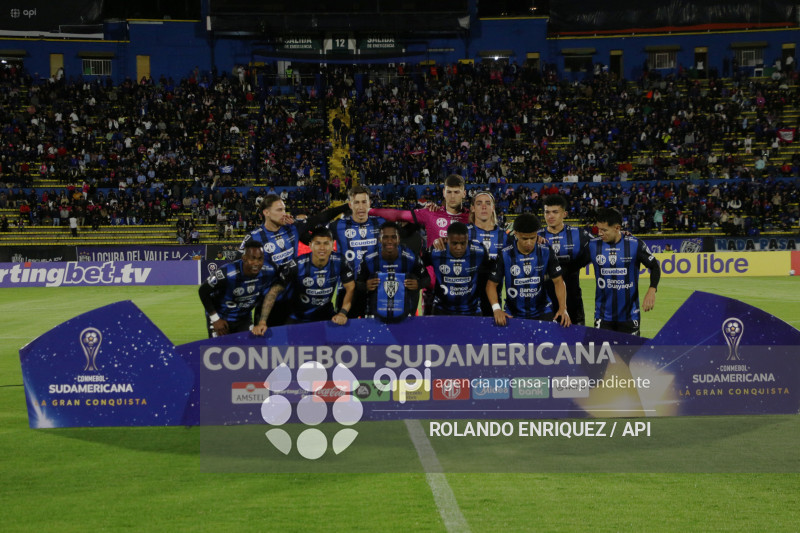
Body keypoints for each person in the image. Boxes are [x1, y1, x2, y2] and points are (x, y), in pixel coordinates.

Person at [241, 194, 348, 327]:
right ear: (266, 212)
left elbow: (320, 218)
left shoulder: (292, 228)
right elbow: (239, 266)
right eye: (279, 210)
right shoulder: (253, 238)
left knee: (294, 345)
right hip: (268, 302)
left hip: (293, 303)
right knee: (269, 345)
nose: (284, 213)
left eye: (284, 209)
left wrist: (346, 206)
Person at [253, 227, 354, 333]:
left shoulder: (340, 261)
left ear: (332, 244)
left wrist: (342, 312)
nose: (322, 248)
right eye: (318, 243)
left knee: (329, 347)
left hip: (326, 316)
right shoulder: (296, 265)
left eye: (326, 243)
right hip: (297, 318)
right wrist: (262, 322)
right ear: (310, 245)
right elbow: (274, 291)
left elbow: (350, 287)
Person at [579, 207, 661, 336]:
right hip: (602, 316)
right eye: (598, 229)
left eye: (604, 230)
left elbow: (655, 266)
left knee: (629, 356)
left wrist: (652, 289)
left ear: (617, 228)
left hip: (630, 316)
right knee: (603, 355)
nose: (600, 233)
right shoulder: (593, 246)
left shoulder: (635, 245)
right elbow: (573, 266)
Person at [487, 214, 570, 327]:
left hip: (543, 311)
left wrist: (563, 308)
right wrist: (496, 309)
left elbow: (559, 281)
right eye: (525, 239)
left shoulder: (546, 251)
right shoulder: (505, 254)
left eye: (533, 238)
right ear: (515, 233)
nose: (529, 243)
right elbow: (491, 285)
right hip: (513, 313)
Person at [198, 240, 278, 338]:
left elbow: (271, 294)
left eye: (260, 259)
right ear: (244, 258)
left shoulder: (270, 271)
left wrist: (261, 321)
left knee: (245, 350)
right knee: (217, 350)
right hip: (221, 317)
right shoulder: (226, 273)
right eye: (252, 259)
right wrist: (215, 319)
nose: (256, 263)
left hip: (243, 318)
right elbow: (203, 291)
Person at [357, 221, 431, 322]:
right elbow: (357, 283)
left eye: (393, 237)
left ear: (399, 239)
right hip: (376, 315)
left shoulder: (410, 257)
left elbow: (427, 279)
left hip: (405, 314)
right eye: (385, 237)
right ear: (379, 239)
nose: (389, 241)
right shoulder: (369, 258)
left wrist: (418, 284)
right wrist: (365, 285)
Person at [537, 194, 592, 326]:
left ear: (564, 214)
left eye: (555, 212)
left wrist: (622, 235)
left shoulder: (579, 234)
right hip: (544, 301)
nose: (550, 216)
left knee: (576, 343)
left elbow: (601, 244)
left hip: (573, 300)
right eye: (547, 212)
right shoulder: (535, 237)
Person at [331, 185, 385, 318]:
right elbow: (313, 234)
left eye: (364, 202)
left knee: (378, 333)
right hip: (348, 289)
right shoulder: (338, 225)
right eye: (356, 202)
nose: (361, 207)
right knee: (346, 333)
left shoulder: (381, 223)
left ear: (369, 203)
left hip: (376, 288)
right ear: (350, 205)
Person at [424, 222, 491, 316]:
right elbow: (417, 267)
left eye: (463, 243)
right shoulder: (435, 252)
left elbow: (490, 272)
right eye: (454, 243)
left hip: (472, 310)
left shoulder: (479, 252)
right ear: (447, 240)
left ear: (468, 239)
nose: (459, 247)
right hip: (442, 310)